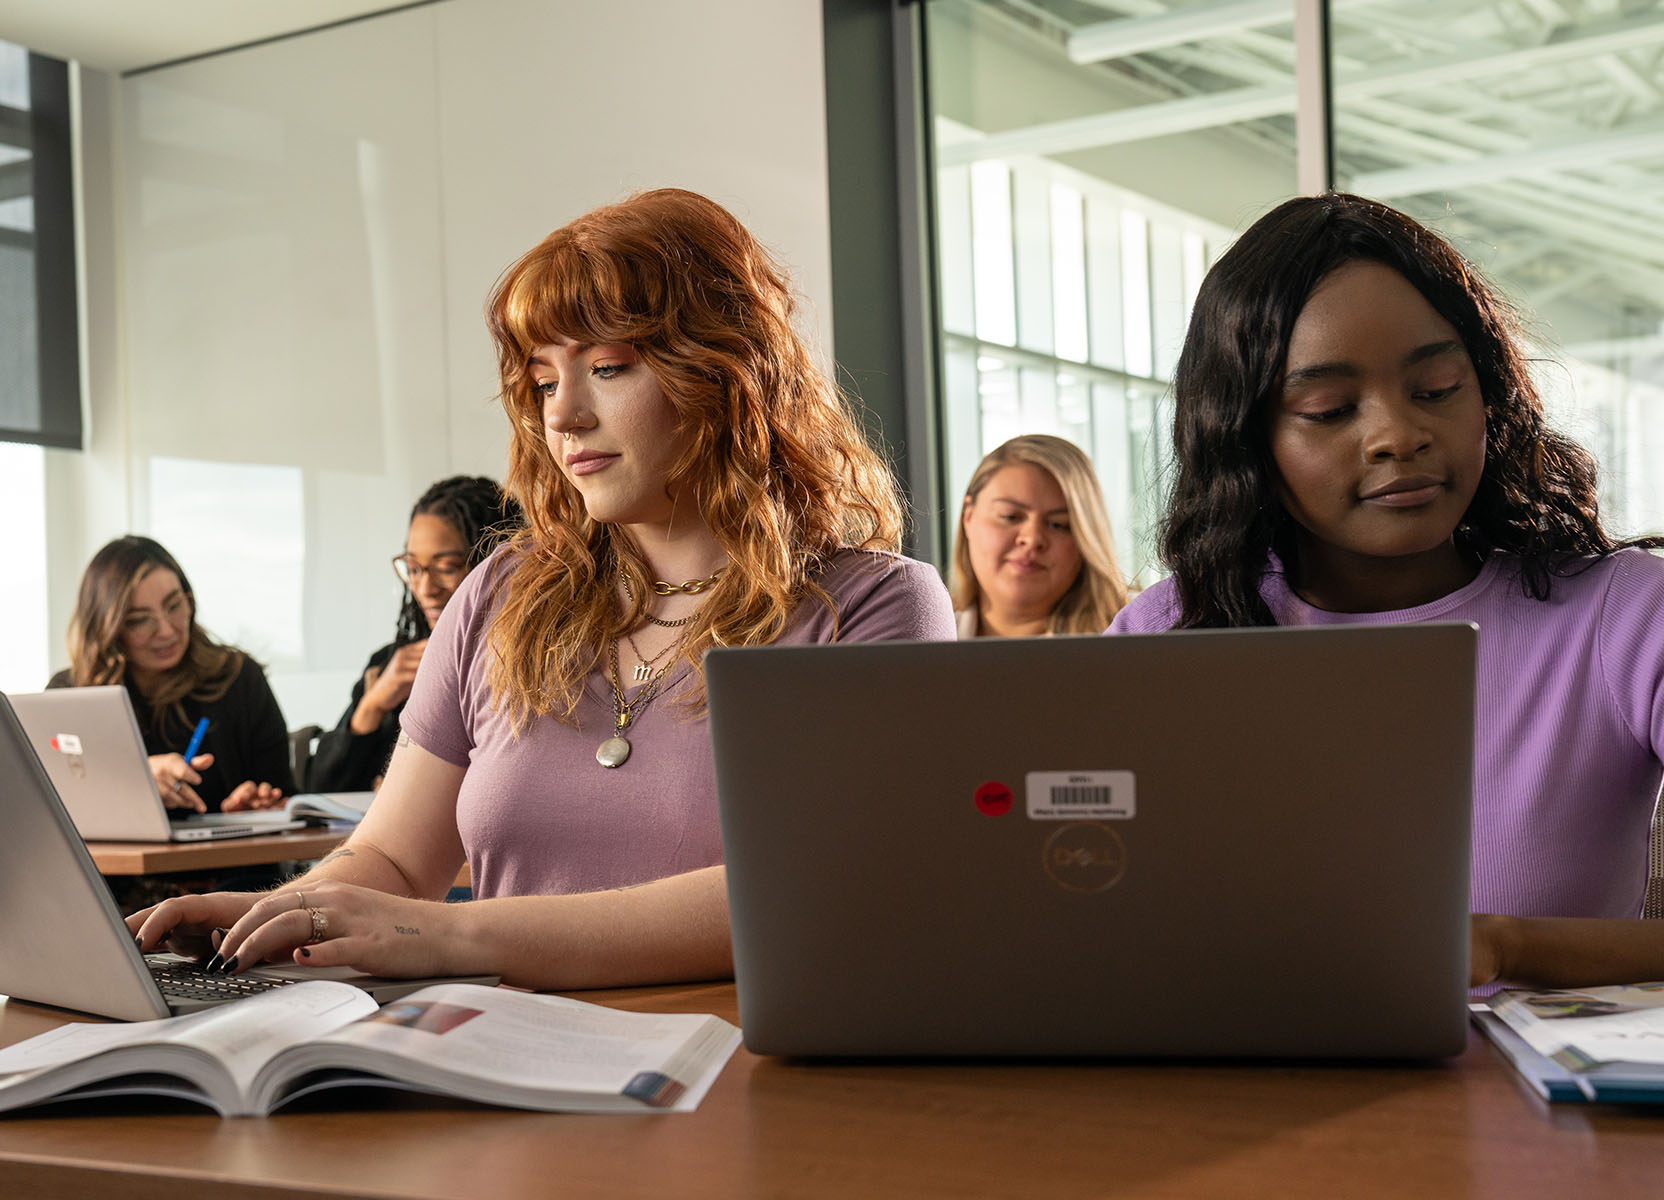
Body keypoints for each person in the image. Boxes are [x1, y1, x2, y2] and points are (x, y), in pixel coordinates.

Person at [130, 188, 956, 989]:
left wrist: (448, 933)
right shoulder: (499, 593)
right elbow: (393, 859)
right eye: (544, 382)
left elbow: (804, 893)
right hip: (498, 1068)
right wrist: (279, 914)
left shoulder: (873, 607)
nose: (563, 416)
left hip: (739, 1082)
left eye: (606, 367)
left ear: (726, 375)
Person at [1107, 192, 1664, 989]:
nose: (1398, 436)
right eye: (1329, 409)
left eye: (1436, 389)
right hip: (1238, 1090)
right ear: (1247, 440)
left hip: (1526, 1104)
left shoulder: (1623, 617)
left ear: (1490, 399)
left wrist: (1505, 947)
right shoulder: (1166, 631)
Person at [303, 476, 522, 794]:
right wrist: (373, 706)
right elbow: (321, 791)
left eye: (446, 568)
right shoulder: (391, 664)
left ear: (498, 565)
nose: (425, 589)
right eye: (414, 569)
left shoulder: (531, 666)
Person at [52, 535, 295, 814]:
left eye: (174, 606)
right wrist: (137, 781)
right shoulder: (70, 694)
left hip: (228, 857)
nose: (166, 630)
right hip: (115, 858)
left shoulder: (238, 678)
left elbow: (282, 792)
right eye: (140, 620)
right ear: (107, 629)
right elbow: (55, 806)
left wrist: (256, 803)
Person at [950, 434, 1128, 637]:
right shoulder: (922, 636)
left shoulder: (1141, 632)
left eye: (1058, 525)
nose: (1033, 539)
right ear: (968, 516)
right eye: (1010, 516)